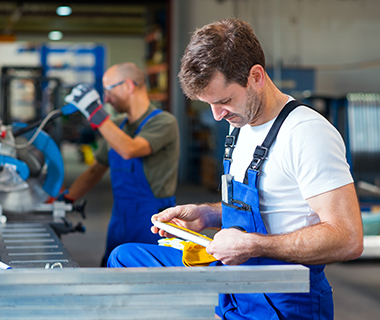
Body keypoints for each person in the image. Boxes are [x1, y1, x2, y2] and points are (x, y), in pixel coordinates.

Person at [107, 19, 363, 319]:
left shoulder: (306, 132)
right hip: (237, 286)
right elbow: (271, 203)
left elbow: (348, 238)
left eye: (224, 101)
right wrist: (207, 214)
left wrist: (253, 245)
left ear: (256, 76)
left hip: (284, 299)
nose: (217, 116)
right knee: (123, 258)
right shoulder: (240, 124)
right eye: (210, 105)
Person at [63, 62, 180, 266]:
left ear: (128, 86)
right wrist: (66, 199)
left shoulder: (164, 123)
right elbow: (95, 170)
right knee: (111, 272)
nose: (106, 98)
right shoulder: (115, 126)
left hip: (153, 223)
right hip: (120, 219)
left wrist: (94, 112)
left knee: (148, 284)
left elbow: (129, 149)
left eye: (108, 90)